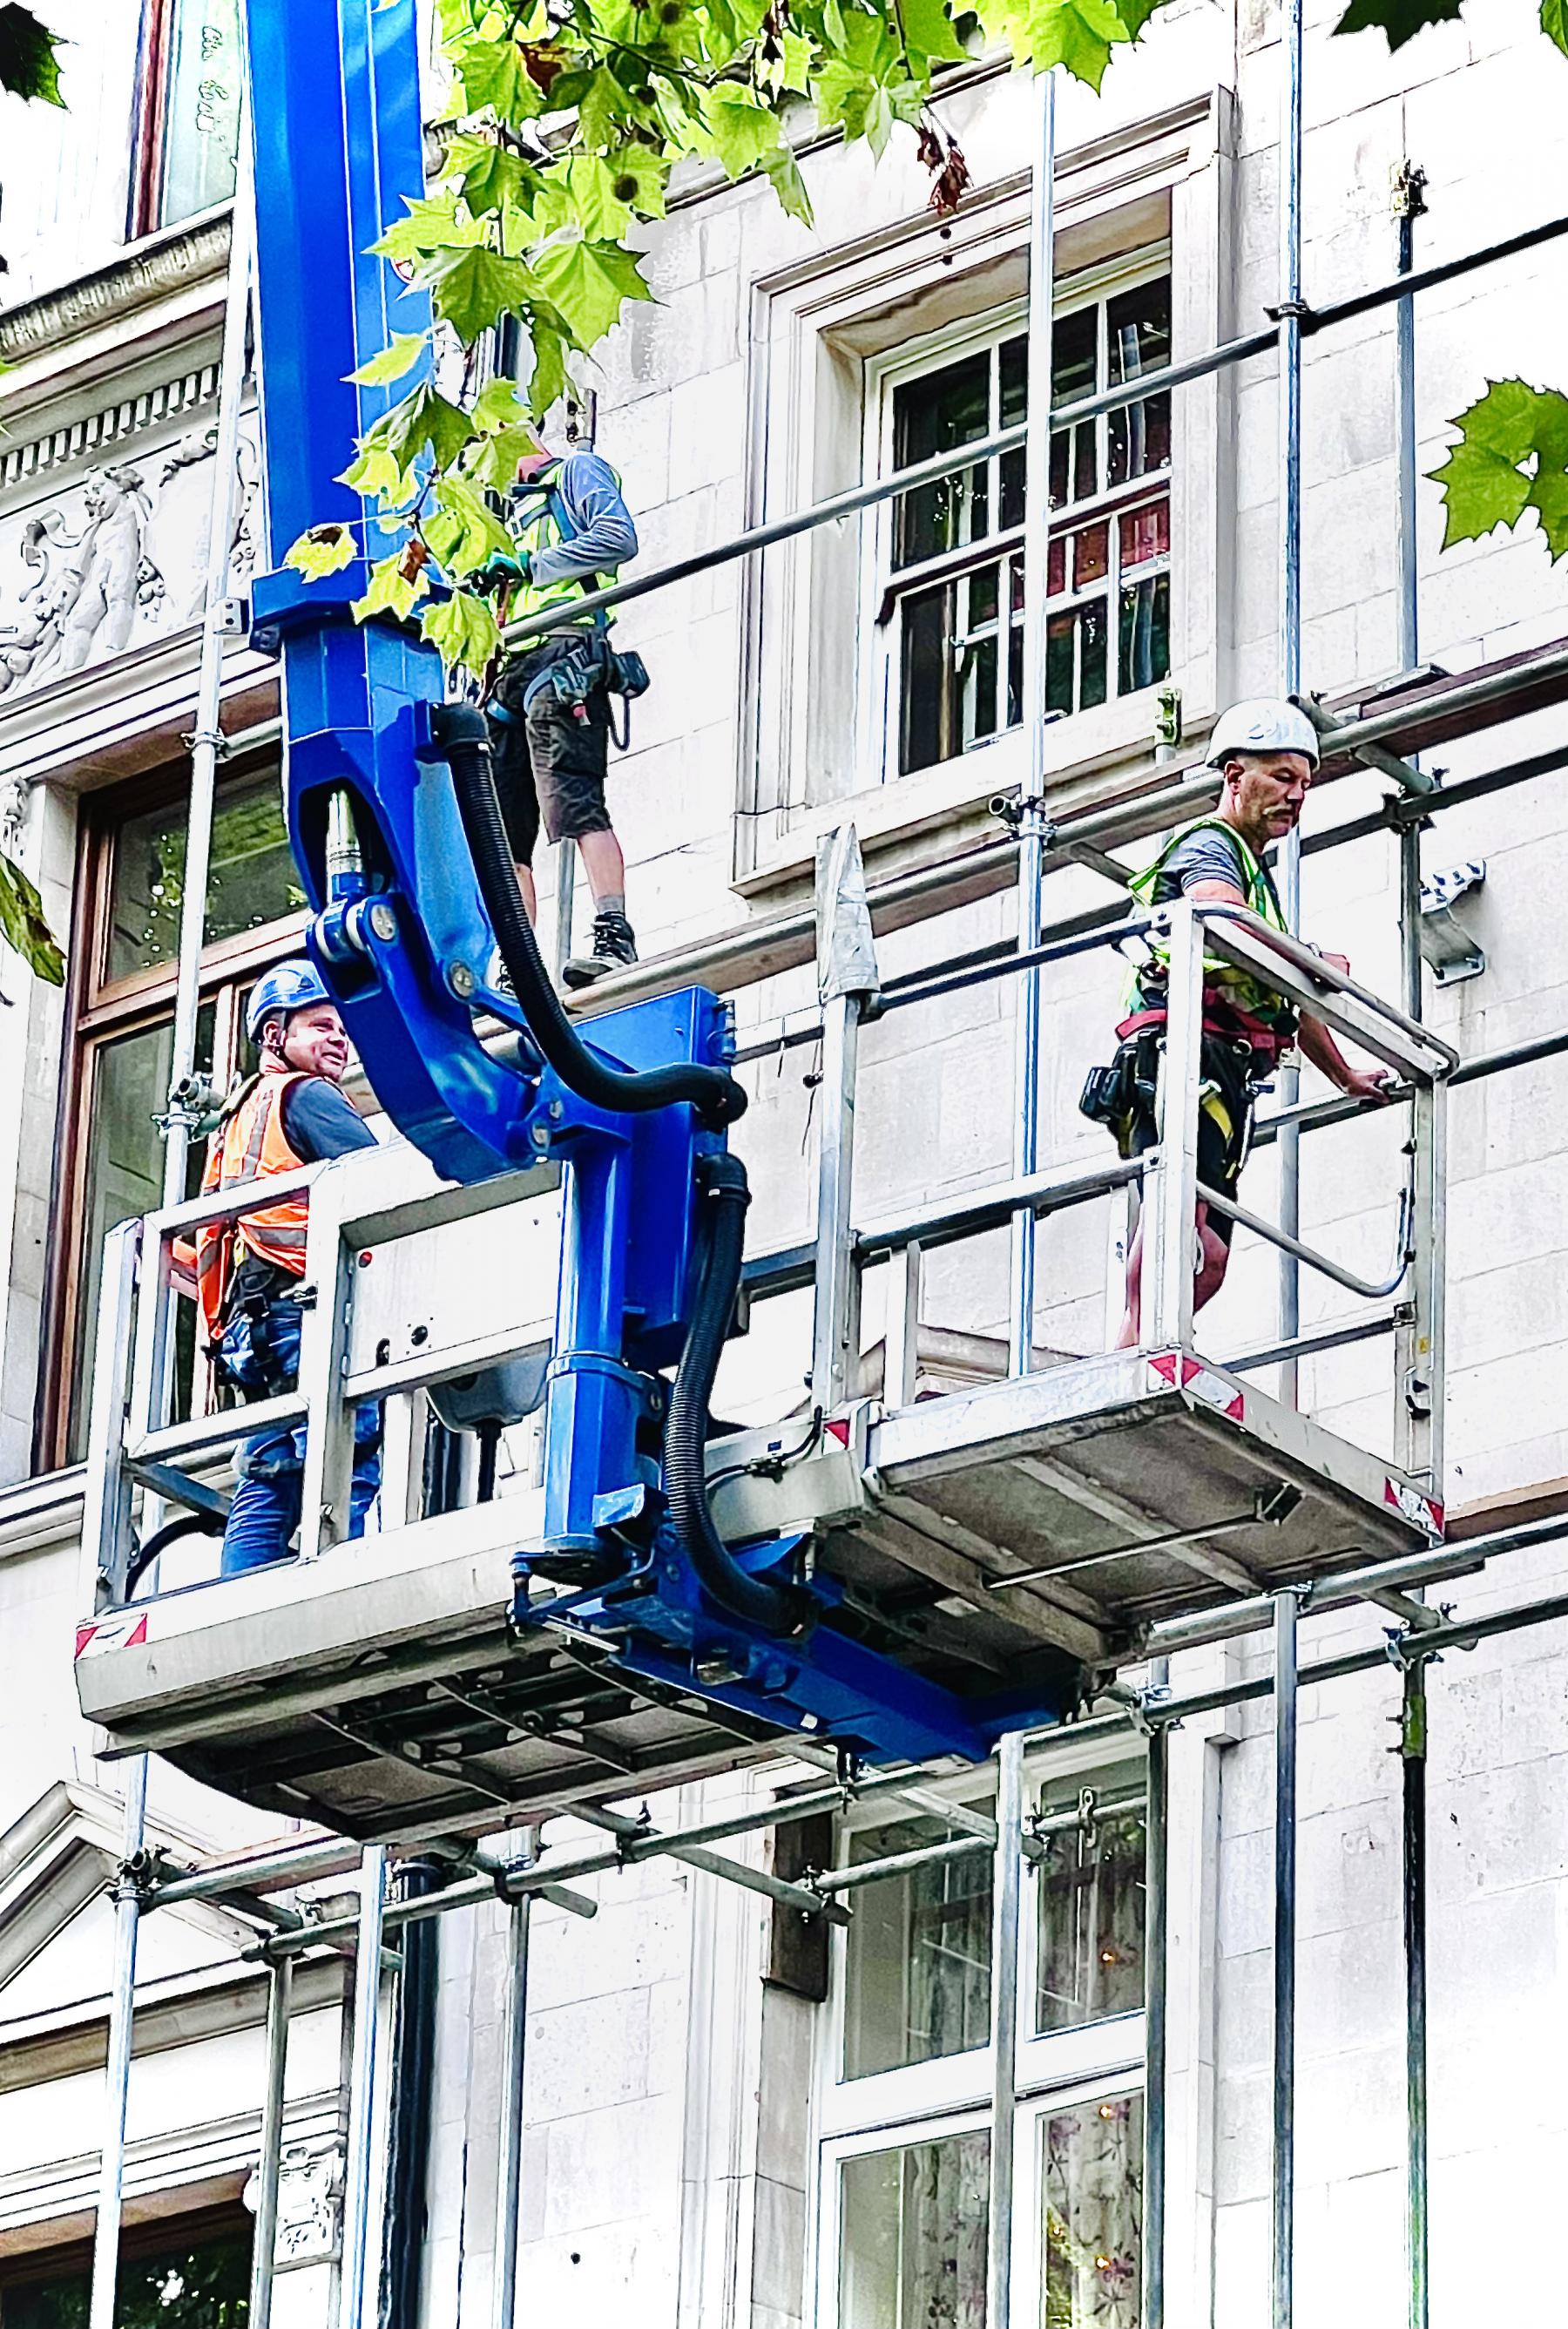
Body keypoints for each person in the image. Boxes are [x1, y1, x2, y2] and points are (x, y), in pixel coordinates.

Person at [1083, 699, 1393, 1346]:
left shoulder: (1259, 879)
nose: (1296, 794)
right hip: (1184, 1052)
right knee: (1178, 1219)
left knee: (1212, 1258)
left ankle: (1156, 1342)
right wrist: (1312, 959)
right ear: (1234, 776)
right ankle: (1135, 1350)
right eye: (1282, 776)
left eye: (1305, 783)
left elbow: (1286, 998)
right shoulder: (1210, 845)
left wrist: (1342, 1075)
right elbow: (1219, 916)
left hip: (1227, 1068)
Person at [188, 960, 382, 1574]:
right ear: (275, 1036)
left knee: (270, 1469)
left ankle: (241, 1591)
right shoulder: (307, 1094)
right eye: (320, 1024)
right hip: (302, 1308)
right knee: (347, 1449)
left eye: (342, 1029)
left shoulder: (238, 1117)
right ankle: (333, 1579)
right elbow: (382, 1182)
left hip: (249, 1328)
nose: (337, 1038)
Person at [482, 442, 642, 988]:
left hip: (563, 655)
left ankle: (613, 932)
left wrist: (532, 567)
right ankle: (518, 967)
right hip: (507, 674)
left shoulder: (574, 475)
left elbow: (619, 538)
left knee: (575, 803)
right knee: (504, 833)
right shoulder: (497, 513)